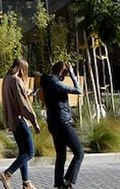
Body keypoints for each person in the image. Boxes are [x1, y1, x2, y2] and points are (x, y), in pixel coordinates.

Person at [0, 57, 40, 189]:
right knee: (30, 153)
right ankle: (7, 174)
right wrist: (34, 122)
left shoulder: (7, 79)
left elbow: (15, 96)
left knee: (23, 152)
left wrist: (27, 92)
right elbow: (24, 105)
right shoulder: (17, 80)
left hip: (12, 121)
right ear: (22, 69)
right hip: (20, 120)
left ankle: (26, 183)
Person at [40, 60, 84, 189]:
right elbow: (78, 90)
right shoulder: (55, 83)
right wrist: (73, 74)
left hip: (53, 123)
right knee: (79, 153)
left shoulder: (47, 82)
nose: (65, 76)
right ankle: (68, 181)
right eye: (65, 73)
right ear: (61, 72)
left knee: (61, 156)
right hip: (62, 123)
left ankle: (59, 184)